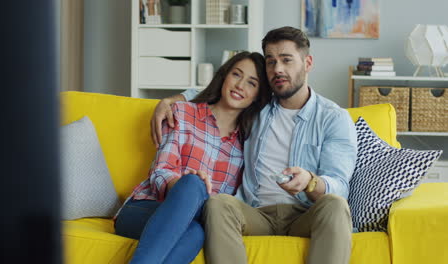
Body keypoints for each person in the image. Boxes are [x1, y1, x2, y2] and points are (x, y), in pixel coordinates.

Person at [150, 26, 358, 264]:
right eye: (271, 62)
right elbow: (220, 91)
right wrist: (170, 100)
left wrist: (310, 181)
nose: (278, 69)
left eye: (287, 60)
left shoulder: (333, 118)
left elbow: (339, 185)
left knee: (336, 205)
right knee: (218, 204)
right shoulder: (257, 105)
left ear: (307, 63)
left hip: (305, 214)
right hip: (255, 212)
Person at [114, 51, 271, 264]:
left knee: (196, 232)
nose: (240, 85)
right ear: (224, 76)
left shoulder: (246, 145)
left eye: (252, 83)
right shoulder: (182, 112)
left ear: (257, 95)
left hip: (196, 222)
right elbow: (161, 172)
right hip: (142, 209)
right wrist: (186, 189)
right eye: (236, 74)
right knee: (193, 184)